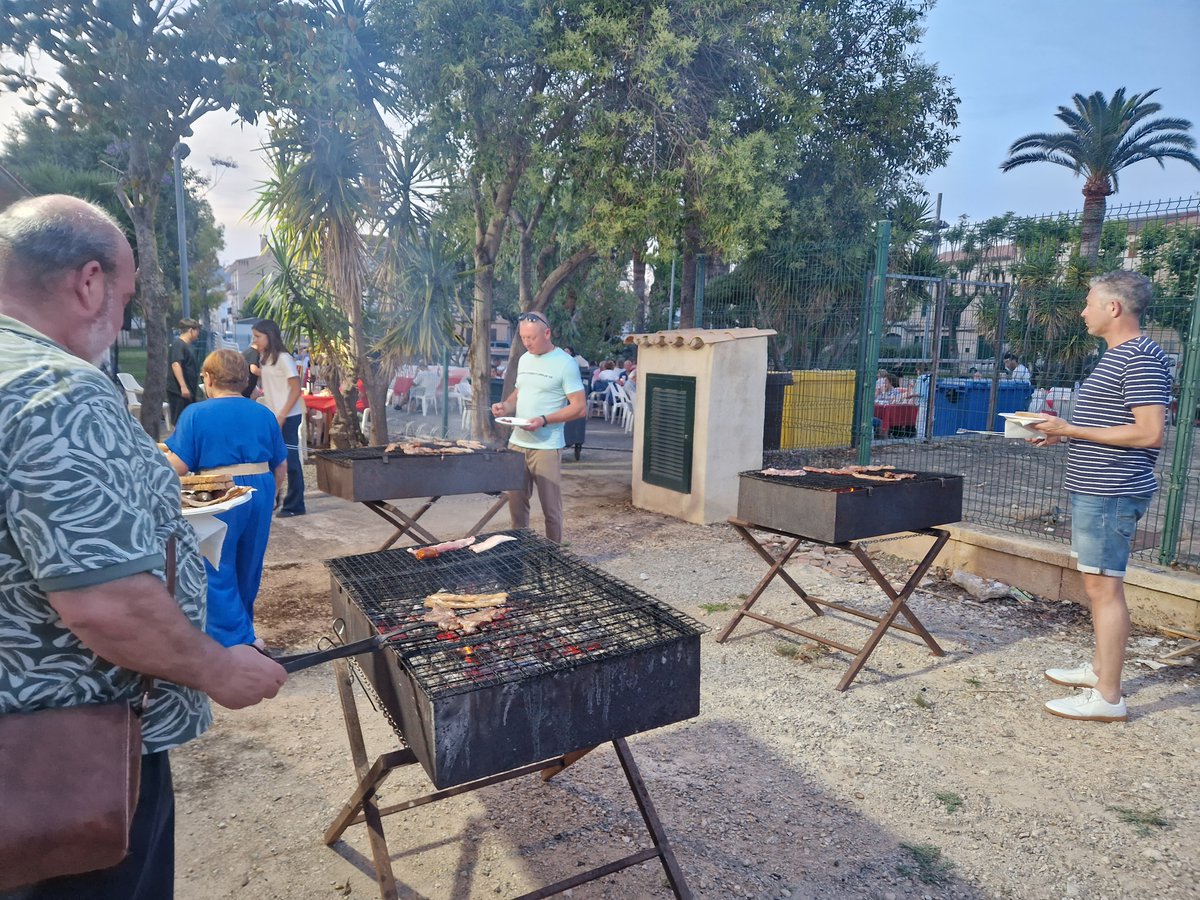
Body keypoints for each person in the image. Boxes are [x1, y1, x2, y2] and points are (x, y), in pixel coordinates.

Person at [0, 194, 286, 898]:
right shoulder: (57, 389)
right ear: (89, 281)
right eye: (125, 299)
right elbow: (105, 603)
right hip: (70, 756)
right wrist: (219, 669)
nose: (123, 319)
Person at [1029, 271, 1170, 723]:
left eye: (1089, 302)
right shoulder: (1120, 356)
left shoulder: (1141, 358)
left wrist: (1069, 428)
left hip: (1111, 492)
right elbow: (1113, 425)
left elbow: (1149, 433)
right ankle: (1098, 671)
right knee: (1097, 585)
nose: (1083, 311)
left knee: (1105, 590)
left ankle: (1109, 697)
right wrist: (1061, 437)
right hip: (1097, 489)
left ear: (1113, 308)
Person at [163, 349, 287, 648]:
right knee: (249, 564)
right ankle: (246, 631)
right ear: (244, 379)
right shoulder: (264, 412)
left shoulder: (195, 413)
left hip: (219, 491)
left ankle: (234, 639)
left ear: (207, 378)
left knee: (215, 566)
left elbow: (179, 464)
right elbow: (280, 464)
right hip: (260, 487)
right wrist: (272, 497)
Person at [490, 310, 585, 542]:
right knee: (517, 511)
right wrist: (506, 406)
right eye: (523, 337)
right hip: (517, 445)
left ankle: (554, 558)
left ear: (547, 333)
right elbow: (520, 392)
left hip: (546, 447)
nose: (527, 343)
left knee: (551, 511)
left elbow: (579, 407)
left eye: (531, 338)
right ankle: (519, 558)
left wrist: (543, 420)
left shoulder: (565, 364)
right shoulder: (524, 359)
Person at [250, 319, 306, 518]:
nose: (254, 340)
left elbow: (295, 389)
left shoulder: (284, 358)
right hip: (274, 416)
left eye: (258, 336)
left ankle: (296, 504)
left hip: (288, 415)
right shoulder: (265, 358)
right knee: (274, 460)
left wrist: (282, 414)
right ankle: (275, 498)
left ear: (270, 336)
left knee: (290, 460)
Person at [167, 316, 201, 423]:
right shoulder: (178, 344)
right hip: (179, 392)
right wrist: (183, 386)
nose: (198, 333)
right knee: (180, 420)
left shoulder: (188, 346)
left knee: (188, 420)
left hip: (189, 390)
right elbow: (176, 364)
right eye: (197, 330)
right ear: (190, 330)